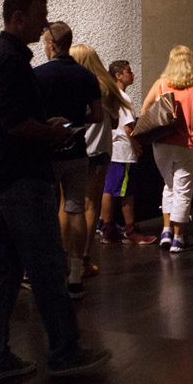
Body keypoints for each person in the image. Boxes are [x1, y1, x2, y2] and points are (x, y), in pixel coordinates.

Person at [0, 0, 110, 383]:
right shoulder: (12, 61)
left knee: (0, 270)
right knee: (48, 266)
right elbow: (16, 123)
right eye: (40, 14)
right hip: (21, 176)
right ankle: (65, 351)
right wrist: (51, 133)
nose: (45, 22)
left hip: (0, 174)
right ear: (18, 17)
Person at [33, 23, 103, 299]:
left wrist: (54, 126)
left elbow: (29, 115)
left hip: (45, 152)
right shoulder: (85, 75)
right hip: (76, 151)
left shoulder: (37, 75)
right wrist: (73, 123)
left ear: (50, 44)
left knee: (44, 212)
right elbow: (97, 116)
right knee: (75, 209)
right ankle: (75, 274)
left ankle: (47, 271)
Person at [140, 45, 193, 253]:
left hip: (162, 142)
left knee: (169, 185)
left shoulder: (161, 85)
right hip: (190, 144)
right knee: (183, 190)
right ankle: (179, 238)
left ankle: (166, 231)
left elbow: (144, 110)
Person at [68, 43, 126, 270]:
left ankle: (68, 257)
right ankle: (84, 257)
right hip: (100, 152)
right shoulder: (107, 89)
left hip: (74, 150)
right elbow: (113, 123)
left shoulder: (72, 87)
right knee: (91, 205)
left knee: (69, 205)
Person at [99, 60, 158, 245]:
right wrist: (136, 145)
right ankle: (128, 230)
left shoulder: (110, 95)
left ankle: (106, 226)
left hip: (112, 150)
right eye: (129, 71)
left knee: (110, 188)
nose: (132, 75)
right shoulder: (123, 97)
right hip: (123, 151)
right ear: (118, 75)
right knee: (125, 191)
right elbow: (127, 128)